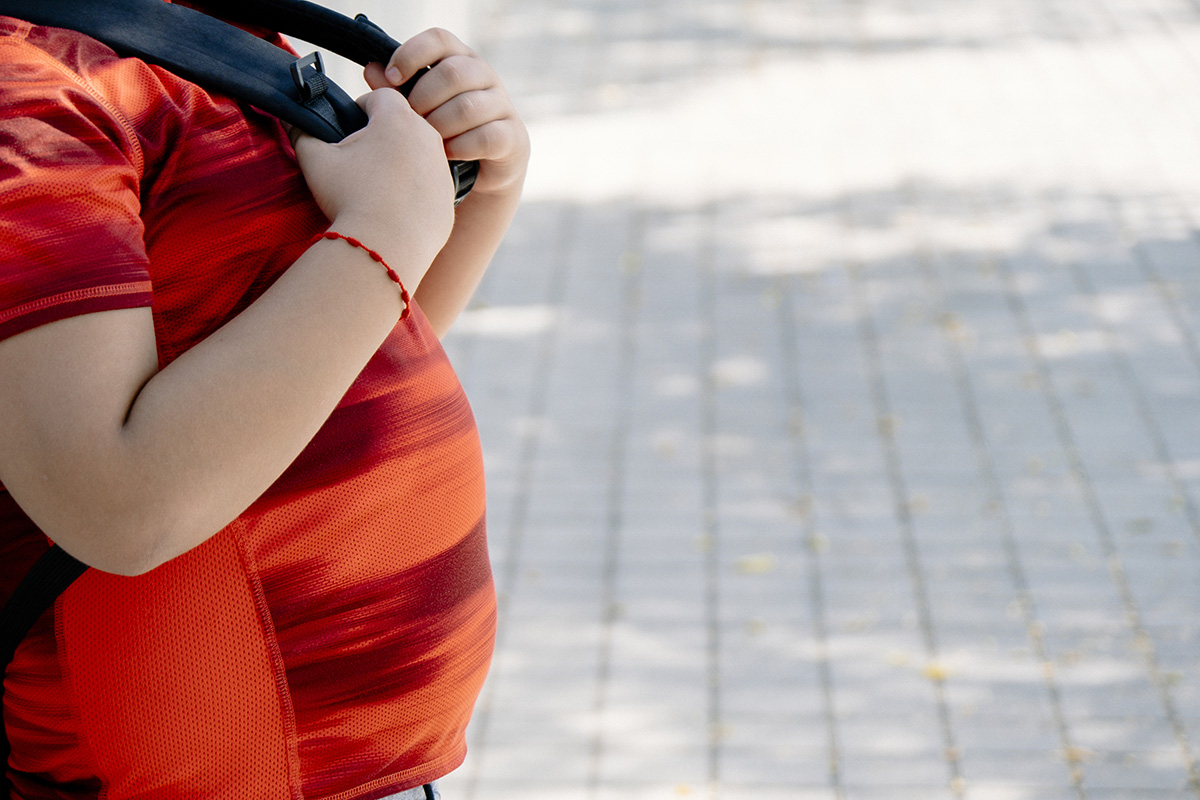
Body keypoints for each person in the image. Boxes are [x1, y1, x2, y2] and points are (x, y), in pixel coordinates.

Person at [0, 0, 529, 797]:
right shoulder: (27, 92)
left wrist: (481, 188)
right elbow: (111, 504)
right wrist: (391, 222)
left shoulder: (195, 27)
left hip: (364, 774)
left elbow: (340, 362)